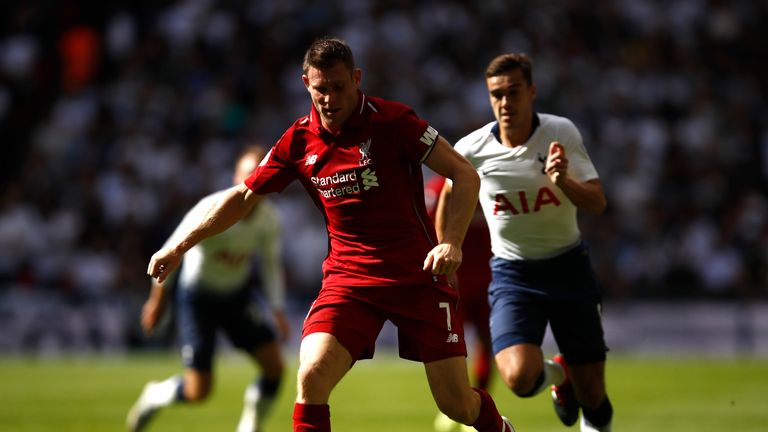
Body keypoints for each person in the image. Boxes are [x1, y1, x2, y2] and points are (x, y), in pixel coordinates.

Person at [146, 37, 514, 432]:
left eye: (339, 87)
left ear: (356, 79)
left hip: (416, 276)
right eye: (321, 88)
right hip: (349, 281)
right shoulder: (298, 140)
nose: (329, 97)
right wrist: (181, 246)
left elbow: (463, 173)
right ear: (306, 83)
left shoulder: (393, 121)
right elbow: (243, 197)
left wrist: (451, 242)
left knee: (458, 405)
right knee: (311, 376)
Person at [435, 53, 613, 432]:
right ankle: (558, 378)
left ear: (531, 92)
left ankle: (576, 384)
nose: (505, 103)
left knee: (594, 394)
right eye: (496, 94)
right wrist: (447, 245)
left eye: (513, 92)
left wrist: (563, 182)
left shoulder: (560, 132)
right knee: (517, 378)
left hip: (569, 267)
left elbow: (597, 202)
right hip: (513, 274)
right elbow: (447, 196)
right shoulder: (471, 149)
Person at [127, 146, 291, 432]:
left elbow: (270, 266)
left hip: (236, 296)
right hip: (198, 297)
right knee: (198, 391)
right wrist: (157, 302)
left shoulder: (268, 220)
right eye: (247, 173)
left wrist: (277, 309)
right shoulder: (211, 209)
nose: (253, 179)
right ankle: (155, 394)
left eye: (259, 173)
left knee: (275, 367)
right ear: (235, 177)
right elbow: (169, 254)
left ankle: (250, 426)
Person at [425, 175, 494, 432]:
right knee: (453, 343)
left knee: (487, 342)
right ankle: (458, 403)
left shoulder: (491, 182)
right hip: (455, 279)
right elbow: (428, 227)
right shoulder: (436, 189)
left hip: (490, 277)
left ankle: (480, 403)